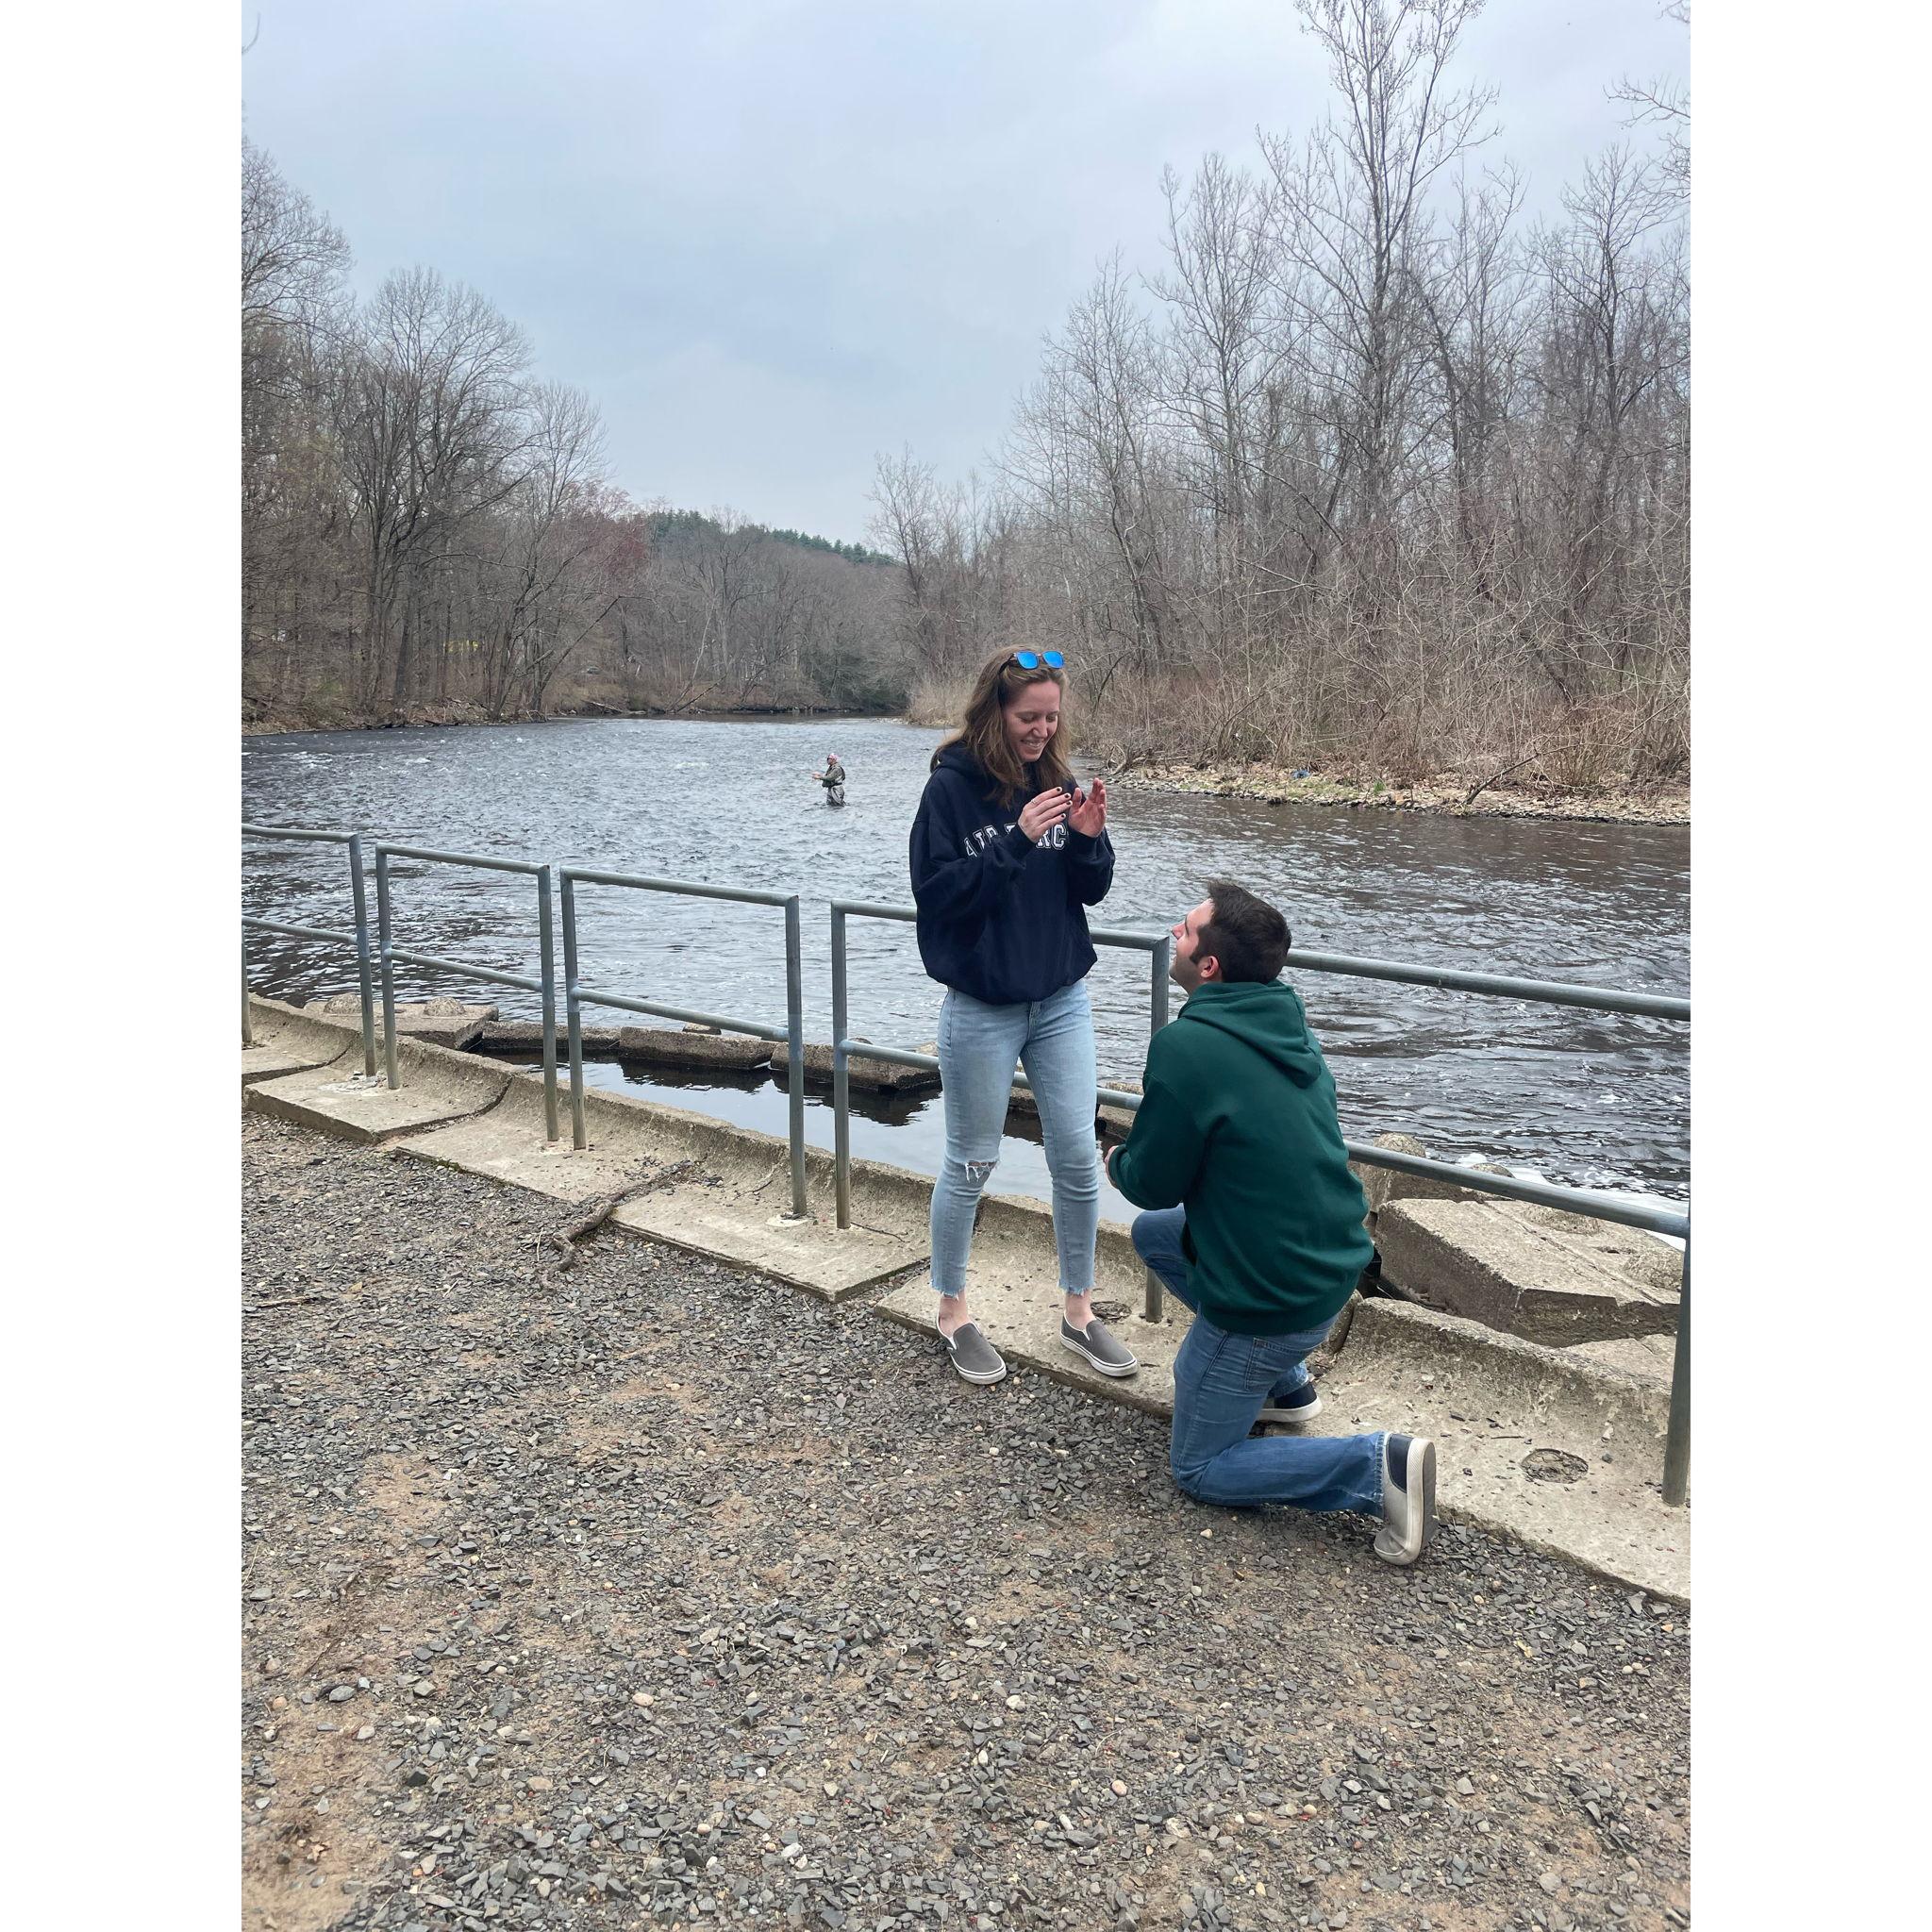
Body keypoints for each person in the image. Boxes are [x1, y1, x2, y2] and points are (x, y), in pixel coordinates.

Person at [1106, 881, 1439, 1565]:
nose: (1173, 933)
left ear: (1208, 967)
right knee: (1158, 1236)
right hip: (1330, 1263)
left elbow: (1154, 1182)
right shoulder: (1285, 1019)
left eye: (1185, 929)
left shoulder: (1187, 1046)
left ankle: (1377, 1467)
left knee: (1200, 1468)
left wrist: (1117, 1161)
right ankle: (1286, 1388)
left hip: (1270, 1297)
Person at [909, 645, 1135, 1387]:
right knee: (971, 1162)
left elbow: (1089, 892)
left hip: (1061, 1000)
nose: (1041, 731)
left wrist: (1089, 841)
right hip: (982, 1006)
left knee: (1075, 1155)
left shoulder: (1058, 783)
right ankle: (953, 1312)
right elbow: (939, 899)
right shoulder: (949, 791)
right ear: (995, 713)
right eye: (1028, 718)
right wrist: (1015, 840)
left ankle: (1079, 1311)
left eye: (1052, 718)